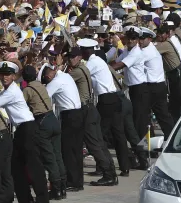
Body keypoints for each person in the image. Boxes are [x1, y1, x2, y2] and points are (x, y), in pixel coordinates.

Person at [0, 62, 50, 203]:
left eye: (8, 75)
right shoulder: (5, 90)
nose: (4, 77)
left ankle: (43, 200)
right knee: (16, 165)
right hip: (21, 129)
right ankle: (25, 199)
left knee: (33, 165)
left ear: (13, 76)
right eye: (2, 74)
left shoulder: (11, 92)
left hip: (27, 127)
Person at [79, 38, 129, 185]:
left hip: (107, 100)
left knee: (97, 137)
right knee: (113, 134)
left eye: (82, 52)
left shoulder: (92, 63)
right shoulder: (97, 61)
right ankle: (111, 169)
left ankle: (107, 172)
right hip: (112, 99)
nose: (81, 55)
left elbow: (82, 75)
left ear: (87, 51)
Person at [66, 46, 114, 190]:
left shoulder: (77, 72)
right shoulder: (84, 68)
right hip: (91, 108)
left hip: (86, 110)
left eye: (73, 57)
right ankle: (109, 171)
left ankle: (108, 174)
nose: (70, 59)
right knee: (99, 143)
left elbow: (61, 78)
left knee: (94, 144)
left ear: (79, 57)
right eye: (69, 57)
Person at [21, 65, 65, 200]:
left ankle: (56, 189)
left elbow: (21, 104)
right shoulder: (41, 86)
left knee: (49, 157)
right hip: (52, 118)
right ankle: (62, 187)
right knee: (58, 155)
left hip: (42, 122)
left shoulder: (28, 90)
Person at [41, 65, 85, 193]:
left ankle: (72, 181)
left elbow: (43, 95)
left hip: (70, 115)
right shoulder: (65, 76)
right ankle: (78, 181)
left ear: (48, 76)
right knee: (76, 149)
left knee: (68, 150)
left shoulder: (56, 81)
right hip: (78, 113)